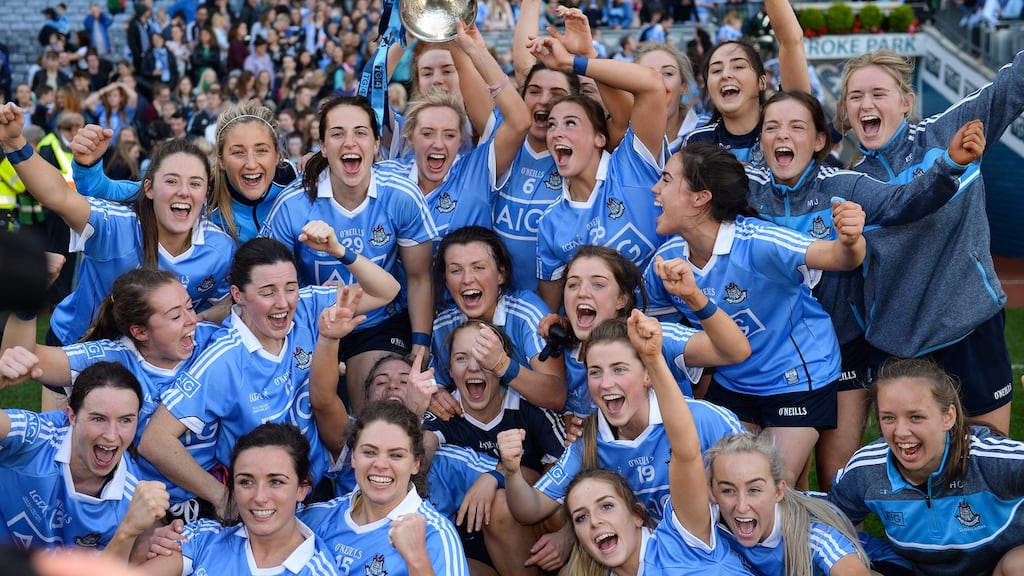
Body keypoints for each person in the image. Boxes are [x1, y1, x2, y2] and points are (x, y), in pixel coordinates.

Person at [747, 89, 987, 490]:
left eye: (796, 126)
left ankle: (842, 547)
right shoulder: (747, 193)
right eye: (771, 127)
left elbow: (902, 201)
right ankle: (795, 551)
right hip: (778, 358)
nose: (781, 135)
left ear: (820, 140)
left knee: (836, 477)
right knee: (784, 479)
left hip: (844, 350)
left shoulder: (844, 184)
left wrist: (948, 165)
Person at [643, 142, 866, 487]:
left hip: (797, 376)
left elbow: (840, 258)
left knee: (773, 483)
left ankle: (808, 532)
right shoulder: (667, 260)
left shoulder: (758, 242)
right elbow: (653, 324)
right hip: (735, 381)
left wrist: (852, 240)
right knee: (722, 482)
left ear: (700, 197)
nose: (655, 189)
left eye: (667, 180)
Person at [138, 237, 400, 519]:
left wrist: (339, 251)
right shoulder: (224, 359)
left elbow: (387, 290)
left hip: (315, 487)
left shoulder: (308, 307)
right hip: (266, 504)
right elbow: (154, 440)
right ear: (238, 295)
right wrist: (222, 497)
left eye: (290, 288)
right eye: (267, 292)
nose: (283, 303)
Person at [836, 49, 1024, 435]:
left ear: (906, 102)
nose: (866, 104)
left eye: (878, 93)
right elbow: (909, 203)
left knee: (989, 463)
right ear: (845, 112)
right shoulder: (846, 183)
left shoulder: (948, 130)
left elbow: (1012, 86)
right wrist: (950, 166)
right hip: (901, 352)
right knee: (918, 478)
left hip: (972, 330)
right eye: (855, 97)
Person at [498, 313, 746, 571]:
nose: (606, 383)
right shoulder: (589, 440)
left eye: (619, 369)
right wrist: (513, 472)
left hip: (713, 555)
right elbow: (530, 509)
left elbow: (762, 490)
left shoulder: (705, 419)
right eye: (595, 372)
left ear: (647, 375)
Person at [0, 104, 235, 347]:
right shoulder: (116, 225)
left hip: (149, 363)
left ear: (206, 193)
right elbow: (58, 196)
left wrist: (198, 319)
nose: (184, 192)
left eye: (195, 184)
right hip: (78, 345)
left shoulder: (220, 248)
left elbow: (226, 303)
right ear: (149, 188)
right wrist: (14, 142)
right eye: (171, 181)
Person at [261, 95, 436, 413]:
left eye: (360, 132)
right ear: (323, 147)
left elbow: (419, 277)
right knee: (315, 413)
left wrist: (420, 347)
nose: (349, 142)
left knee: (377, 410)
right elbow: (266, 281)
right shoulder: (293, 205)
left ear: (376, 143)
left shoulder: (401, 195)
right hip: (312, 323)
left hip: (376, 323)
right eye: (338, 133)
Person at [0, 268, 220, 507]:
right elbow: (22, 358)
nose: (192, 320)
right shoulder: (111, 358)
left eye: (190, 307)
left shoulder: (214, 344)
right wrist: (25, 305)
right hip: (139, 500)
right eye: (175, 316)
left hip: (213, 488)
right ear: (140, 332)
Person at [829, 359, 1024, 576]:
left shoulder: (988, 459)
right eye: (889, 418)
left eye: (916, 417)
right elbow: (830, 524)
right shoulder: (866, 470)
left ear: (947, 417)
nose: (901, 432)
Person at [527, 31, 669, 313]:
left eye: (570, 123)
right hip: (605, 347)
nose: (556, 133)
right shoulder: (551, 223)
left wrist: (574, 61)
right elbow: (553, 312)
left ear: (599, 138)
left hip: (670, 331)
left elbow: (652, 85)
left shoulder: (632, 166)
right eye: (552, 125)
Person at [551, 244, 750, 417]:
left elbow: (736, 351)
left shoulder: (652, 337)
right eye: (573, 284)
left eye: (598, 284)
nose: (582, 293)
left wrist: (693, 296)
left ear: (622, 299)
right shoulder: (562, 349)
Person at [378, 22, 530, 246]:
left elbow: (519, 121)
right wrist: (407, 35)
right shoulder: (404, 135)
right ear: (418, 84)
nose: (437, 80)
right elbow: (366, 101)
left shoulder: (481, 151)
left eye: (448, 70)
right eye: (427, 73)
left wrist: (459, 38)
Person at [72, 100, 297, 244]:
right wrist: (87, 165)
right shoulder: (200, 192)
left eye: (262, 150)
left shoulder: (297, 183)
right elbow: (101, 190)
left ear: (278, 156)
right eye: (238, 152)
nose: (251, 163)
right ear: (220, 159)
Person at [127, 423, 341, 575]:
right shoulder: (203, 537)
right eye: (246, 482)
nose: (259, 497)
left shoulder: (317, 570)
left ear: (302, 489)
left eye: (276, 482)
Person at [0, 361, 168, 553]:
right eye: (98, 419)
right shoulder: (39, 434)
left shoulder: (132, 497)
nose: (112, 435)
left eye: (125, 420)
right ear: (72, 417)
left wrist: (128, 531)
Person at [300, 400, 470, 576]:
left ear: (415, 464)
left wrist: (417, 560)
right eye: (369, 452)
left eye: (396, 455)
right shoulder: (316, 519)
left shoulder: (435, 534)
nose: (380, 464)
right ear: (353, 457)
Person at [431, 226, 566, 412]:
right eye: (456, 271)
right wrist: (435, 393)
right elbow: (432, 382)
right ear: (446, 281)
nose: (467, 279)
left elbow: (557, 395)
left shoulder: (526, 313)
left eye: (478, 267)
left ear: (501, 274)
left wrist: (502, 365)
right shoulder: (443, 326)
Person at [684, 0, 809, 166]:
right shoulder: (697, 142)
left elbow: (791, 41)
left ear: (762, 82)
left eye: (738, 66)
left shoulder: (787, 124)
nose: (725, 75)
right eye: (716, 70)